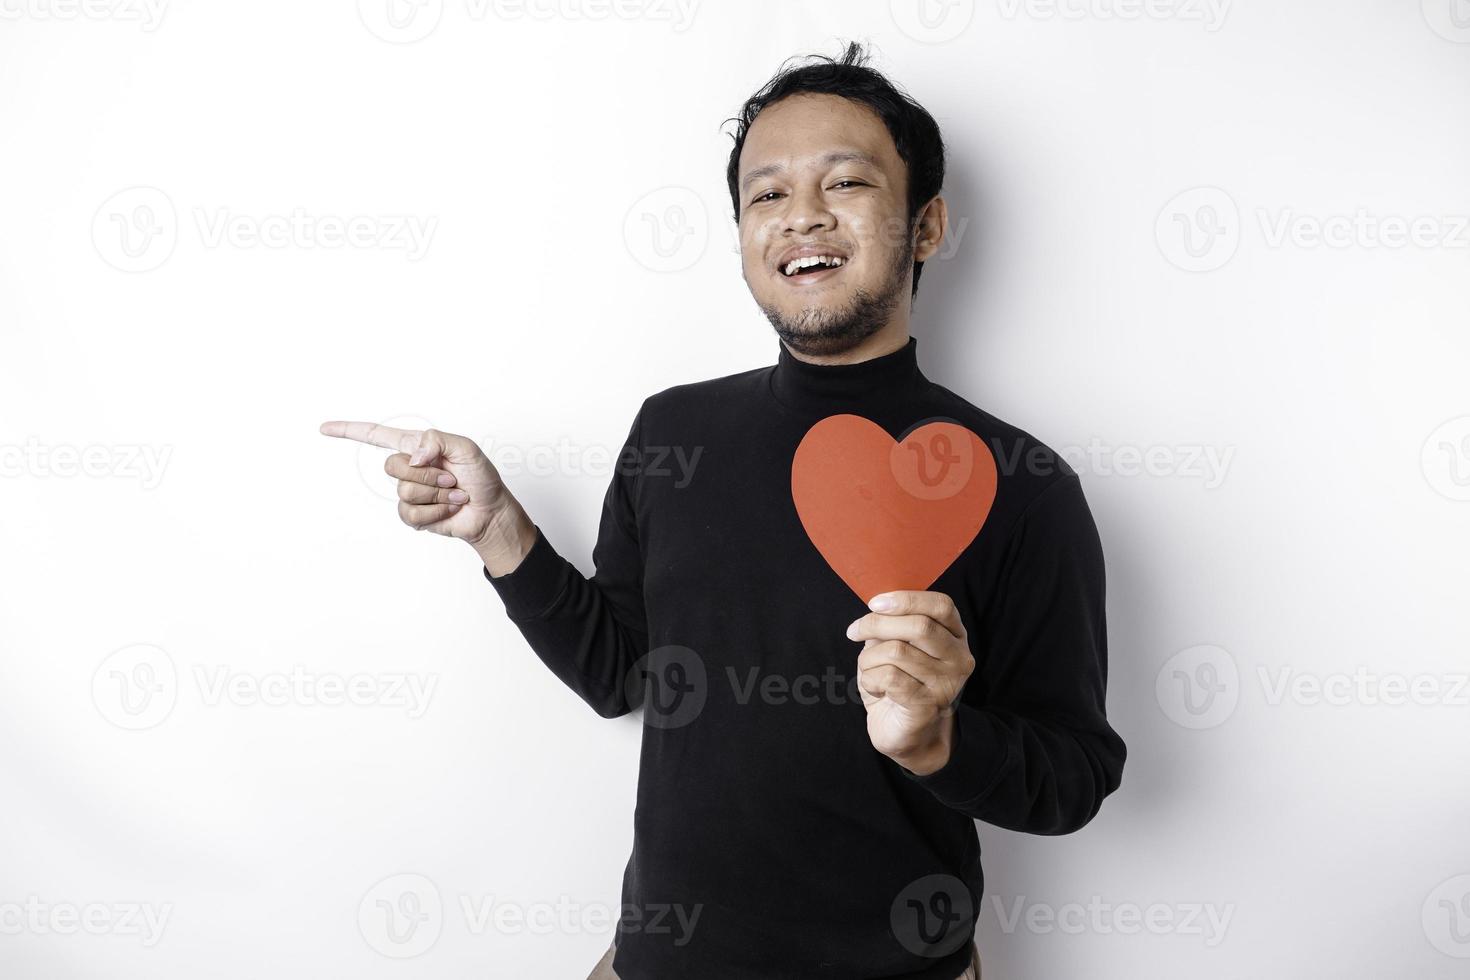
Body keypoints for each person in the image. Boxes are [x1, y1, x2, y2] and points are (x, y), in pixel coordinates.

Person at [321, 41, 1124, 980]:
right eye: (767, 194)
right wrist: (498, 529)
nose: (802, 217)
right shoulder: (674, 432)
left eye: (849, 182)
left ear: (928, 224)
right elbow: (621, 674)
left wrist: (944, 740)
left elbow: (1076, 777)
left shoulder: (1019, 480)